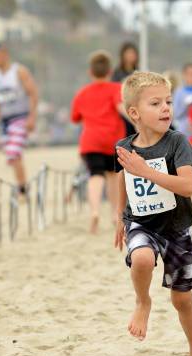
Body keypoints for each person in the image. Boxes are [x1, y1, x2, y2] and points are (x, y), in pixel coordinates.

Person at [113, 71, 192, 356]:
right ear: (134, 113)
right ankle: (143, 302)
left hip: (176, 227)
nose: (166, 107)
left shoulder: (177, 143)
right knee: (141, 258)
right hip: (141, 222)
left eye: (167, 101)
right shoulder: (125, 147)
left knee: (182, 299)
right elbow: (122, 178)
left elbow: (188, 186)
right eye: (155, 103)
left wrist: (146, 172)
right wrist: (119, 217)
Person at [71, 50, 125, 233]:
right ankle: (115, 214)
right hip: (113, 140)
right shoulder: (116, 88)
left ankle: (94, 211)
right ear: (110, 71)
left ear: (90, 72)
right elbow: (120, 107)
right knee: (113, 177)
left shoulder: (82, 93)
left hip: (91, 141)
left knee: (95, 176)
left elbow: (75, 117)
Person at [0, 43, 39, 194]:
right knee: (13, 156)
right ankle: (23, 186)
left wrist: (32, 117)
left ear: (5, 54)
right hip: (5, 120)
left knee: (13, 152)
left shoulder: (19, 71)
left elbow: (33, 93)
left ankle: (21, 188)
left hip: (21, 117)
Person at [112, 42, 139, 137]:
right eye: (128, 53)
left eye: (133, 53)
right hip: (123, 112)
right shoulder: (117, 73)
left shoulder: (139, 72)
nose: (131, 56)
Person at [173, 63, 192, 145]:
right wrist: (186, 107)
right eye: (191, 74)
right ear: (184, 75)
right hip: (183, 133)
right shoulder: (178, 92)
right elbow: (175, 115)